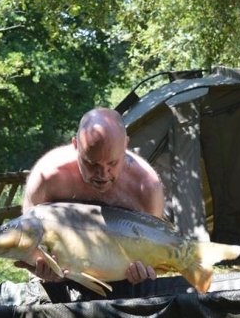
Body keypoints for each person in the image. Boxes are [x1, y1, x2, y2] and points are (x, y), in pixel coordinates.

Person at [15, 108, 165, 299]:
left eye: (112, 163)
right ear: (75, 145)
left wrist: (147, 271)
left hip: (122, 280)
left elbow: (154, 248)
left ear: (126, 145)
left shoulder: (146, 187)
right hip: (58, 278)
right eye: (91, 163)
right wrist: (42, 270)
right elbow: (30, 238)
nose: (103, 175)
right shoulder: (47, 178)